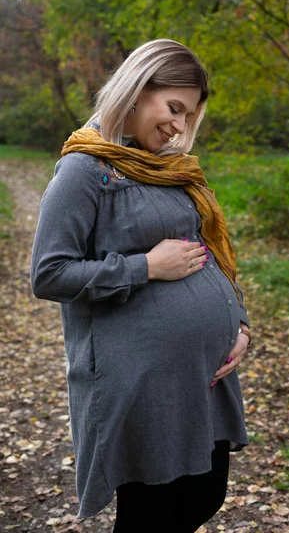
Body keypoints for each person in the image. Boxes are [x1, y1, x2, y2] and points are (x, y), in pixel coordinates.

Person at [31, 39, 252, 533]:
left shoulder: (166, 168)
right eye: (174, 108)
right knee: (151, 515)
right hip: (140, 383)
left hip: (200, 376)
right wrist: (144, 267)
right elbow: (48, 273)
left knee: (205, 494)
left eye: (188, 115)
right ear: (136, 88)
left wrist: (238, 323)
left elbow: (209, 251)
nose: (179, 126)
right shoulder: (84, 169)